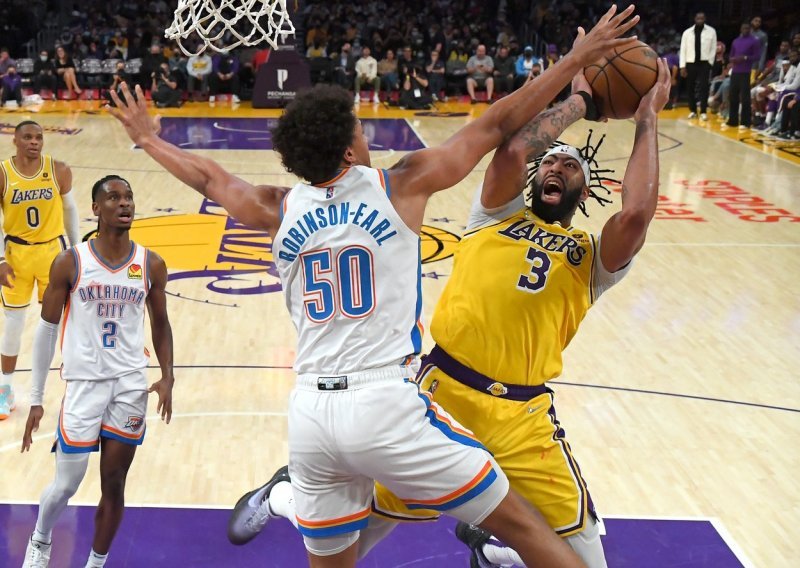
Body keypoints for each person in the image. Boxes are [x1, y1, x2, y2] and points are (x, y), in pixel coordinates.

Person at [109, 7, 639, 566]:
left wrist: (147, 140)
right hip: (384, 403)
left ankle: (286, 496)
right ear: (347, 150)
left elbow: (209, 178)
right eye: (359, 129)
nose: (366, 135)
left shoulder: (278, 207)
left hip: (311, 415)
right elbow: (495, 125)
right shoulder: (401, 185)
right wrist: (575, 63)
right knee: (526, 528)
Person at [230, 53, 670, 568]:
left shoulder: (591, 259)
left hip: (524, 417)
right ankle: (286, 495)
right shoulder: (495, 213)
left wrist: (646, 119)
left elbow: (635, 216)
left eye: (570, 166)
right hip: (444, 390)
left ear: (586, 189)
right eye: (550, 161)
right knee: (354, 538)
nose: (556, 167)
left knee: (586, 561)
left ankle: (493, 550)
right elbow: (513, 149)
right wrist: (580, 101)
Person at [20, 175, 175, 568]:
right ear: (96, 208)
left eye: (129, 197)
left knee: (115, 482)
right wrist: (36, 399)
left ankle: (96, 562)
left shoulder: (150, 264)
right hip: (84, 385)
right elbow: (46, 329)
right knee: (66, 485)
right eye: (114, 197)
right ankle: (40, 540)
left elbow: (161, 323)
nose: (124, 203)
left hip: (130, 384)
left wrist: (168, 375)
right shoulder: (71, 262)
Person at [0, 121, 80, 421]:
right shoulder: (3, 173)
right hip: (16, 254)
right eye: (28, 137)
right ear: (15, 141)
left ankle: (70, 388)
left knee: (57, 324)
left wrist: (77, 250)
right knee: (13, 324)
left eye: (39, 137)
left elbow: (70, 210)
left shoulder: (58, 169)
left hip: (52, 253)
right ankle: (5, 389)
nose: (34, 142)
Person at [679, 12, 716, 120]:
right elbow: (683, 49)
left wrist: (710, 62)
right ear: (695, 19)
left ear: (705, 19)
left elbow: (713, 48)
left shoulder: (711, 31)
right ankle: (693, 110)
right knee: (690, 87)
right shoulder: (687, 32)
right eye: (698, 18)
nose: (700, 20)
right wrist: (682, 66)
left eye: (702, 18)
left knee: (704, 87)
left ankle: (703, 111)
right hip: (690, 62)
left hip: (704, 63)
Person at [727, 21, 762, 129]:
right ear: (740, 29)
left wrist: (745, 58)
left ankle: (745, 122)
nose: (745, 30)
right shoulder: (736, 41)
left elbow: (757, 56)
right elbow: (731, 55)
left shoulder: (754, 41)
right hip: (735, 71)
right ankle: (733, 120)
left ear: (750, 29)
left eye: (747, 28)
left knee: (745, 97)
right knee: (733, 96)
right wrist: (732, 59)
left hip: (746, 72)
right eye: (743, 28)